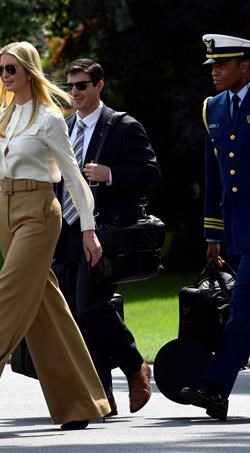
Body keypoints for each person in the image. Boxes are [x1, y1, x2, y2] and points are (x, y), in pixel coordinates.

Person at [0, 41, 109, 432]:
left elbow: (73, 177)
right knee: (46, 310)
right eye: (0, 70)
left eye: (11, 69)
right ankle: (82, 402)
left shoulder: (50, 119)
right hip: (7, 213)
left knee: (4, 299)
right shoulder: (3, 116)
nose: (5, 76)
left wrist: (88, 229)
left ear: (29, 71)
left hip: (39, 212)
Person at [54, 59, 161, 416]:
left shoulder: (123, 126)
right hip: (66, 232)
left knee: (91, 306)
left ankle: (135, 365)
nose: (75, 93)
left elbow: (151, 172)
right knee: (76, 316)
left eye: (82, 85)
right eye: (70, 86)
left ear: (99, 85)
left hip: (105, 232)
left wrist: (110, 174)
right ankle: (102, 397)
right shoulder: (65, 127)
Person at [180, 33, 250, 421]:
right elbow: (215, 176)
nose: (215, 71)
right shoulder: (214, 108)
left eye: (223, 64)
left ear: (245, 65)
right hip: (238, 230)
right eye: (213, 65)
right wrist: (213, 235)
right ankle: (216, 389)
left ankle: (215, 387)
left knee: (242, 308)